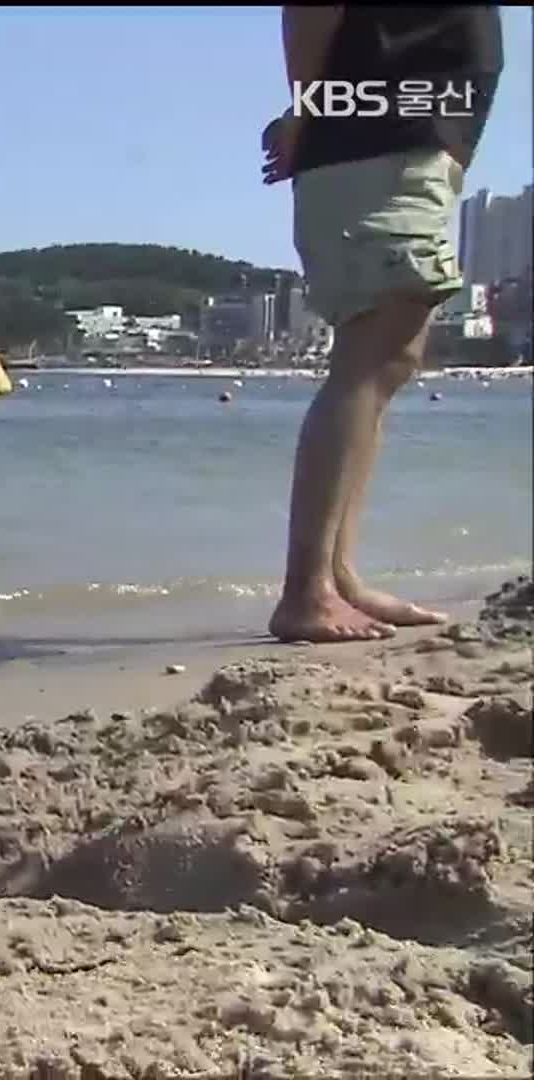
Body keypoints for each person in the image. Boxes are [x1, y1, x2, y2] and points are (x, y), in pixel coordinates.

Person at [260, 6, 501, 644]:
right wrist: (307, 111)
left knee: (388, 359)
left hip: (402, 148)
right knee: (371, 355)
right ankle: (306, 591)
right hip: (376, 146)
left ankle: (337, 578)